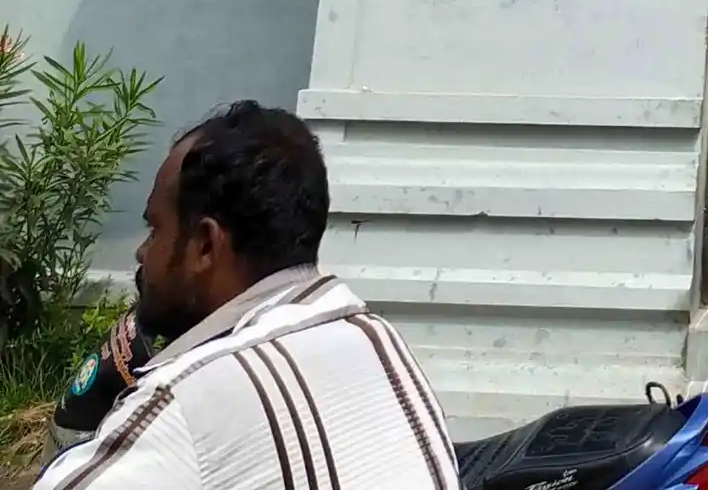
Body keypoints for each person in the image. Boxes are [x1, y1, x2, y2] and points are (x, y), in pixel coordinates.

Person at [40, 102, 458, 487]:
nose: (142, 253)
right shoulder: (375, 340)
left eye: (155, 230)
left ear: (205, 244)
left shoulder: (187, 400)